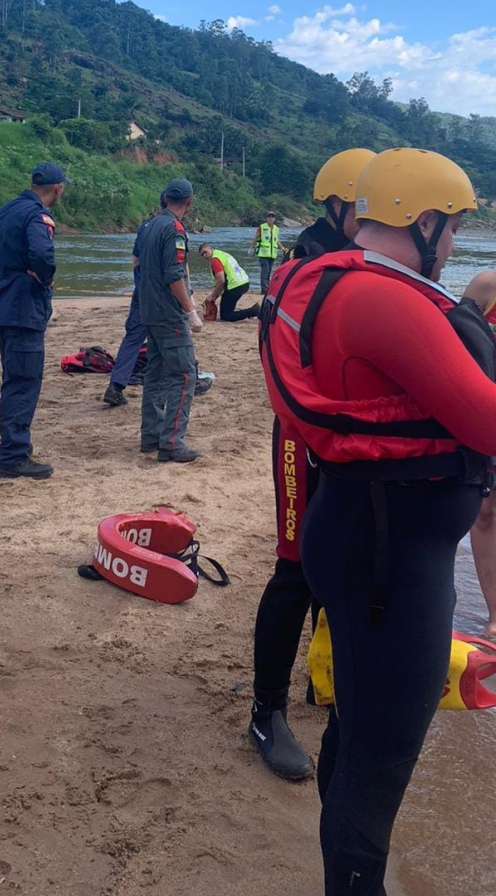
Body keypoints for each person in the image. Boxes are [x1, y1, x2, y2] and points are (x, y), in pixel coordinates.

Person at [259, 146, 496, 894]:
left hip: (360, 533)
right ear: (423, 221)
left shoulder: (331, 279)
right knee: (381, 753)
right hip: (390, 561)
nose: (455, 245)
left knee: (359, 729)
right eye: (453, 229)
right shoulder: (382, 301)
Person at [249, 149, 376, 782]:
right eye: (367, 208)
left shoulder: (368, 264)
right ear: (335, 206)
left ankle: (323, 679)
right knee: (296, 570)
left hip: (351, 440)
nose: (379, 220)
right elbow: (283, 368)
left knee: (347, 564)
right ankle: (265, 710)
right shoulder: (301, 270)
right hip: (303, 438)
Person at [0, 161, 70, 479]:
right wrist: (46, 278)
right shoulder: (37, 215)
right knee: (24, 382)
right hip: (24, 307)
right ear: (58, 188)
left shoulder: (7, 210)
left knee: (14, 378)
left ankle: (15, 447)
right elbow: (42, 255)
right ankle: (13, 456)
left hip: (3, 303)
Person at [138, 178, 204, 463]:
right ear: (188, 203)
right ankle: (172, 442)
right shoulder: (174, 229)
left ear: (164, 198)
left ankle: (151, 435)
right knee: (184, 374)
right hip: (168, 314)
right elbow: (174, 275)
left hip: (149, 311)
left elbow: (138, 265)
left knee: (155, 373)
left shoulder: (149, 226)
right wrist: (190, 311)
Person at [462, 270, 496, 636]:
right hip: (488, 414)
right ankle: (494, 615)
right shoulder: (486, 285)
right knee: (485, 513)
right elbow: (455, 344)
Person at [102, 210, 157, 407]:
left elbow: (136, 260)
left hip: (141, 292)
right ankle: (187, 378)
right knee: (173, 337)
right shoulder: (173, 228)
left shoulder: (145, 227)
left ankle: (115, 386)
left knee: (132, 339)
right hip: (162, 296)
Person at [199, 244, 260, 322]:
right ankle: (251, 311)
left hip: (235, 286)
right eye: (202, 255)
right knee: (227, 309)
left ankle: (253, 311)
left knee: (226, 316)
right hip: (244, 282)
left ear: (211, 249)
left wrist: (212, 296)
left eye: (205, 252)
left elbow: (221, 281)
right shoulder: (222, 254)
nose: (204, 256)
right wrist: (215, 296)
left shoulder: (215, 260)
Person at [248, 210, 279, 293]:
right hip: (263, 253)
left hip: (272, 254)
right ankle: (264, 290)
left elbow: (276, 240)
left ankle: (267, 288)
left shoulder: (276, 228)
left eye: (272, 217)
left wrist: (282, 248)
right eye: (269, 216)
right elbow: (255, 237)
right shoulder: (262, 227)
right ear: (266, 218)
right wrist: (251, 248)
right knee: (265, 272)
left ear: (274, 219)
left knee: (269, 272)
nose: (270, 218)